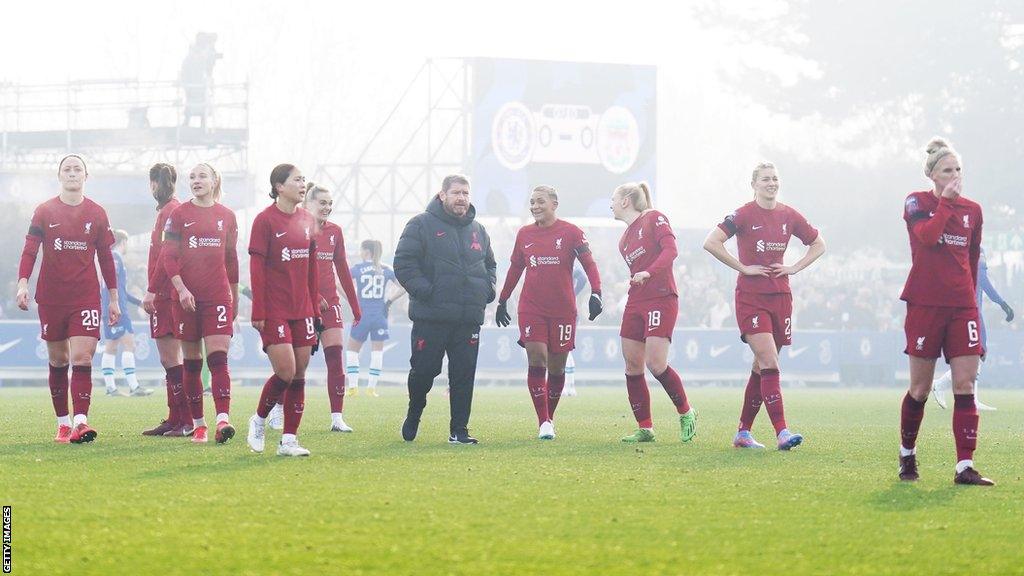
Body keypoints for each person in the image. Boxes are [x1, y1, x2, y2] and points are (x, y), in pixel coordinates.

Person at [703, 162, 825, 450]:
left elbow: (818, 244)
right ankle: (782, 432)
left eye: (775, 179)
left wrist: (795, 267)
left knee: (761, 367)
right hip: (751, 298)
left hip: (781, 297)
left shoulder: (789, 215)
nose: (771, 183)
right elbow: (712, 242)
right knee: (770, 361)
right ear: (754, 184)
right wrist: (743, 267)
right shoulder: (743, 214)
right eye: (765, 179)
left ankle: (743, 432)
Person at [896, 138, 993, 486]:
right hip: (925, 304)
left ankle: (964, 466)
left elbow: (971, 255)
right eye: (947, 170)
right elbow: (927, 237)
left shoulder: (974, 210)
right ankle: (907, 455)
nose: (954, 176)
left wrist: (970, 297)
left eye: (958, 170)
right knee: (920, 388)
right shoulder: (917, 202)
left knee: (965, 383)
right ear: (932, 175)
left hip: (961, 306)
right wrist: (946, 204)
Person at [16, 154, 120, 443]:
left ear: (86, 176)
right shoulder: (44, 211)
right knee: (59, 360)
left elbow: (106, 258)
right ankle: (63, 423)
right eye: (67, 169)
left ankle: (81, 422)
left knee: (82, 357)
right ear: (59, 176)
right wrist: (23, 284)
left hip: (86, 297)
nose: (72, 173)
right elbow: (29, 251)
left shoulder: (97, 213)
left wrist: (113, 297)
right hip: (51, 298)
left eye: (77, 169)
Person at [393, 174, 496, 445]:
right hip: (432, 317)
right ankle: (414, 412)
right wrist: (427, 292)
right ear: (442, 195)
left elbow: (490, 265)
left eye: (465, 193)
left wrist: (488, 290)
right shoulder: (420, 225)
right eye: (456, 193)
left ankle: (459, 431)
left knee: (463, 376)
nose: (461, 198)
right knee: (424, 372)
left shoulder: (479, 230)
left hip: (467, 318)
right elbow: (404, 264)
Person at [495, 185, 602, 439]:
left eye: (540, 201)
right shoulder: (524, 234)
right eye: (531, 202)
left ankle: (549, 418)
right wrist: (503, 299)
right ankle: (543, 421)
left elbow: (589, 264)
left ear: (554, 203)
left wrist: (596, 292)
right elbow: (514, 269)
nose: (534, 206)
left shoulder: (572, 233)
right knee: (537, 358)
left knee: (556, 368)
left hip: (563, 310)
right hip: (532, 308)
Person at [265, 182, 362, 433]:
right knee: (294, 366)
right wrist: (313, 294)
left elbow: (341, 269)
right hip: (301, 304)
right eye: (322, 202)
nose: (327, 207)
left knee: (335, 358)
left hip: (330, 305)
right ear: (308, 203)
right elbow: (287, 271)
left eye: (330, 203)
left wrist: (355, 304)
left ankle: (337, 417)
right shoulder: (295, 230)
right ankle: (277, 409)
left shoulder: (335, 232)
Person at [245, 165, 322, 457]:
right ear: (279, 186)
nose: (303, 184)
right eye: (297, 180)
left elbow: (312, 269)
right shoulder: (264, 220)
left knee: (300, 374)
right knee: (285, 371)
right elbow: (257, 268)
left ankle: (288, 440)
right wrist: (259, 311)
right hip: (274, 309)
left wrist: (314, 309)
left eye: (304, 180)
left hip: (302, 309)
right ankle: (259, 420)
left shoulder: (307, 220)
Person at [611, 182, 695, 443]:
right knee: (632, 364)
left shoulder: (655, 218)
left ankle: (686, 412)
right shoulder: (623, 241)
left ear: (626, 200)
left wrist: (649, 272)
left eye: (613, 199)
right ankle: (645, 428)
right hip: (636, 301)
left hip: (661, 297)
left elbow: (671, 250)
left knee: (656, 364)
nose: (611, 204)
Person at [161, 162, 239, 444]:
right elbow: (168, 257)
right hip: (185, 299)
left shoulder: (227, 216)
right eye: (192, 177)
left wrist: (234, 295)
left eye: (201, 176)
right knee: (192, 363)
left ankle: (223, 420)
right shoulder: (179, 214)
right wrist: (181, 288)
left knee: (219, 358)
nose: (196, 180)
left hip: (217, 296)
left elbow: (231, 260)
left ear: (214, 180)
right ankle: (199, 425)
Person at [931, 246, 1014, 410]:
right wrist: (1005, 306)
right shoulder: (977, 268)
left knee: (975, 356)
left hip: (970, 315)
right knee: (976, 355)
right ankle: (941, 385)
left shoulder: (964, 269)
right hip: (973, 317)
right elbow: (989, 288)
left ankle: (970, 397)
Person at [142, 163, 190, 436]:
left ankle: (184, 420)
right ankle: (175, 418)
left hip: (166, 293)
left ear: (152, 184)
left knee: (173, 358)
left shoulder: (171, 210)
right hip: (163, 292)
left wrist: (152, 288)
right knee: (169, 359)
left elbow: (165, 256)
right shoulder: (168, 210)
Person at [345, 239, 404, 398]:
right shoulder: (385, 269)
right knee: (377, 352)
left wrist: (352, 301)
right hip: (380, 315)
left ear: (366, 251)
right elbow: (404, 286)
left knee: (352, 351)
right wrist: (389, 301)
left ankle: (353, 387)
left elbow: (339, 283)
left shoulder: (357, 269)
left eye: (361, 250)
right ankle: (371, 389)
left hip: (361, 314)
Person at [100, 229, 151, 397]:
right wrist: (115, 305)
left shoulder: (109, 257)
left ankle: (110, 388)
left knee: (111, 347)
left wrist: (139, 303)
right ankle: (133, 386)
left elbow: (119, 288)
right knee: (129, 344)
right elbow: (112, 284)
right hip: (117, 309)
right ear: (123, 242)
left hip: (111, 307)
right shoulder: (115, 257)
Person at [562, 264, 591, 397]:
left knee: (563, 349)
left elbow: (582, 277)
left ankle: (568, 386)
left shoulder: (568, 265)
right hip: (568, 310)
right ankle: (569, 385)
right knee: (565, 349)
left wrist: (572, 293)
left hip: (565, 311)